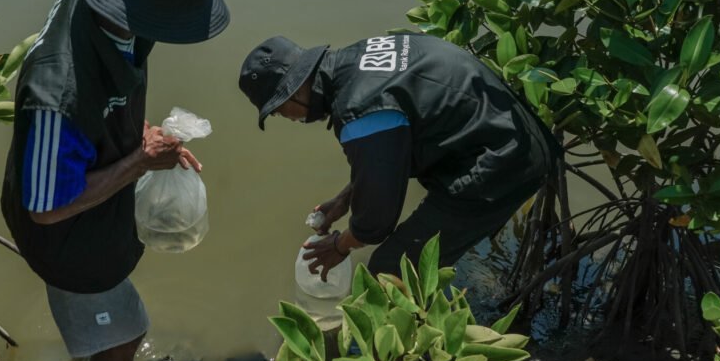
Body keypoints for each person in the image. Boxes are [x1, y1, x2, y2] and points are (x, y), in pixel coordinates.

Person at [1, 0, 229, 361]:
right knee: (128, 332)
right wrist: (139, 162)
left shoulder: (109, 3)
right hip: (66, 237)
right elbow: (45, 210)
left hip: (93, 200)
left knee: (109, 326)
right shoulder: (57, 95)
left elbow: (108, 93)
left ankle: (90, 358)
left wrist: (139, 133)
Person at [238, 33, 559, 281]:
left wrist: (339, 246)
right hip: (513, 134)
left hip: (504, 162)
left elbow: (376, 221)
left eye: (278, 109)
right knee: (416, 254)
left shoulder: (357, 111)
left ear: (294, 90)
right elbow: (393, 147)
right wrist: (345, 198)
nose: (284, 117)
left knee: (390, 270)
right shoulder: (359, 56)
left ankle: (413, 348)